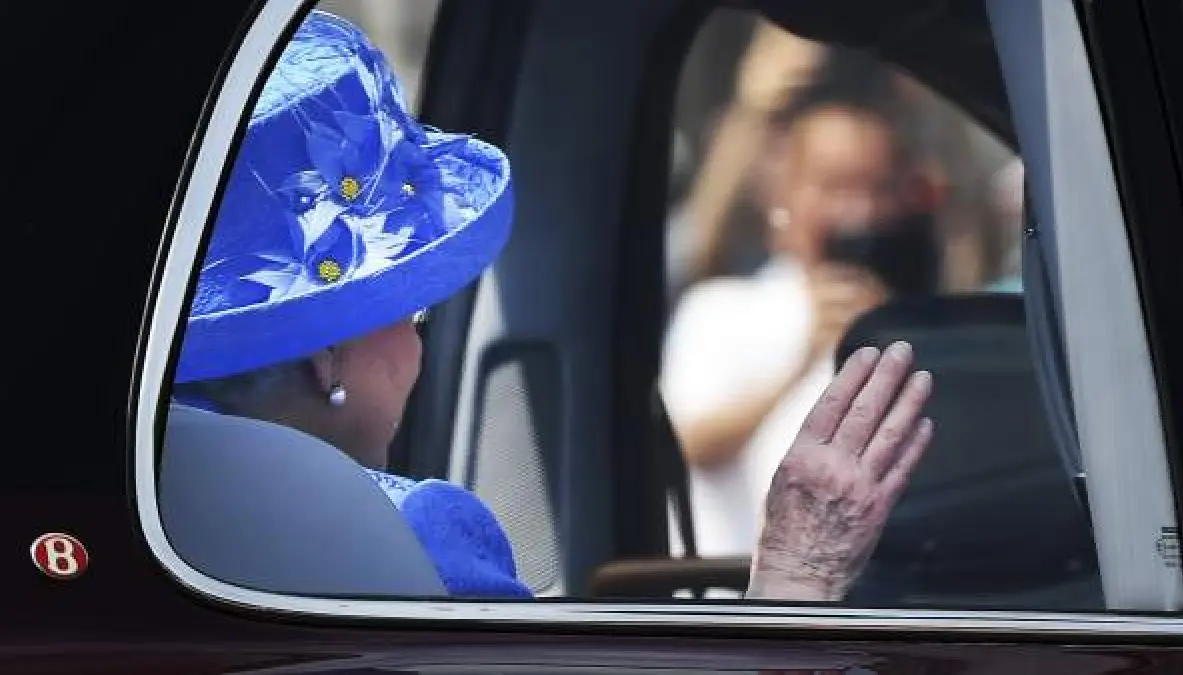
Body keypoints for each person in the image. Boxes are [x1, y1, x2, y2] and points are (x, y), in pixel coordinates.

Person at [170, 10, 935, 602]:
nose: (419, 341)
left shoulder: (135, 525)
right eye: (410, 308)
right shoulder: (413, 539)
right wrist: (795, 579)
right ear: (325, 354)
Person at [661, 81, 942, 560]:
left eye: (874, 188)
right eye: (833, 186)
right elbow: (688, 445)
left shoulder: (910, 326)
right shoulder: (721, 310)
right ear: (785, 192)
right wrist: (802, 361)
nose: (856, 213)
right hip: (737, 592)